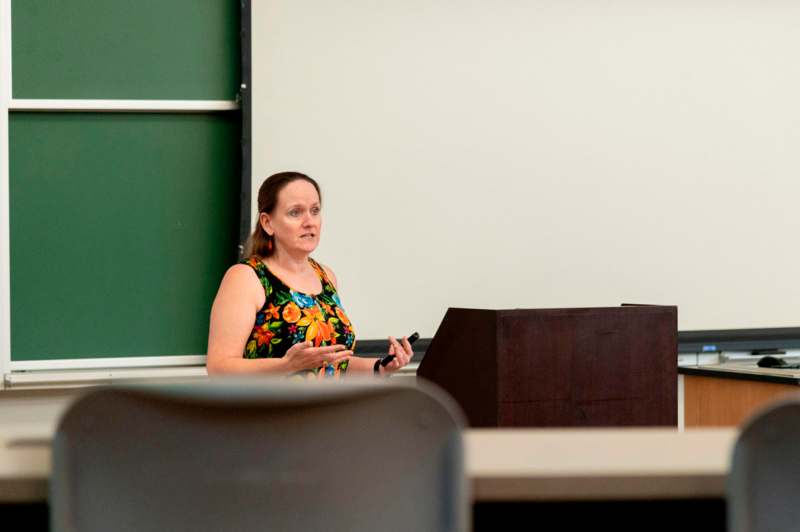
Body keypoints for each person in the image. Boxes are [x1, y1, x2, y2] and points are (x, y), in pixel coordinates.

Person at [206, 171, 414, 378]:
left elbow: (333, 363)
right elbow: (219, 368)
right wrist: (286, 366)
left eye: (315, 211)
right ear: (267, 223)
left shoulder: (326, 276)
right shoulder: (246, 278)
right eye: (295, 213)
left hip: (325, 409)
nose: (309, 221)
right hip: (269, 410)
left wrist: (381, 367)